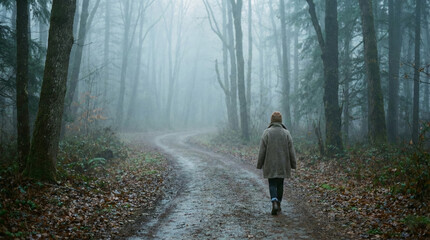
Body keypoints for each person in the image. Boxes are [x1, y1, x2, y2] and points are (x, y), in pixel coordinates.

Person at [257, 111, 296, 215]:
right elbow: (291, 150)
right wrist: (293, 163)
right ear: (281, 121)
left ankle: (274, 201)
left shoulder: (267, 132)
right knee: (280, 183)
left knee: (272, 183)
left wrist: (259, 163)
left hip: (270, 163)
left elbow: (262, 150)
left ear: (271, 120)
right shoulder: (286, 133)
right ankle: (278, 203)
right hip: (283, 164)